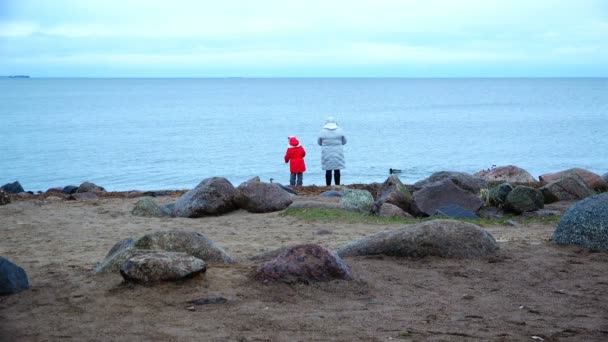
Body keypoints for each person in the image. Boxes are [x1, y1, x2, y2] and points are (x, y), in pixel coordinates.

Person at [317, 116, 347, 186]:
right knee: (337, 169)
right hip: (338, 152)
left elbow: (319, 143)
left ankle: (328, 186)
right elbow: (344, 142)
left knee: (328, 169)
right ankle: (337, 185)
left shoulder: (322, 131)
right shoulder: (340, 130)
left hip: (326, 152)